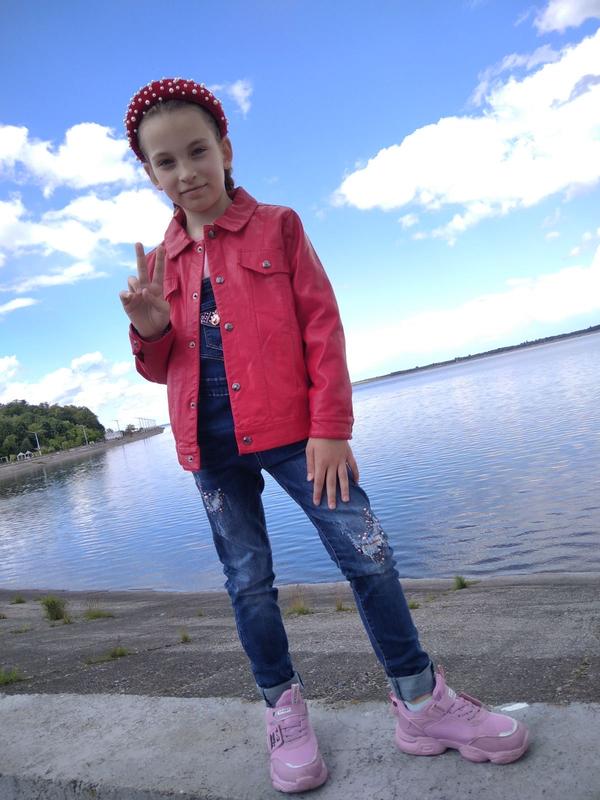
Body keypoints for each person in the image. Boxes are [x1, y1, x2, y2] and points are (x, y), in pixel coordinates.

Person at [120, 78, 529, 793]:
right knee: (248, 582)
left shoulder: (278, 226)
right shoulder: (161, 262)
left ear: (225, 150)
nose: (186, 172)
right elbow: (162, 368)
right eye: (166, 162)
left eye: (197, 151)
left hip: (297, 433)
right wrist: (150, 328)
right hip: (209, 445)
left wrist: (331, 427)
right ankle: (283, 711)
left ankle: (421, 703)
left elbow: (322, 326)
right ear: (150, 174)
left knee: (369, 555)